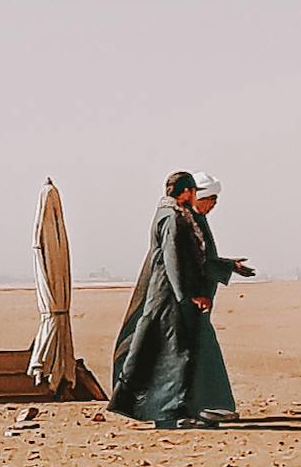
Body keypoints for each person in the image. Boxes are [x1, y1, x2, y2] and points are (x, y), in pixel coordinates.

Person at [106, 171, 250, 426]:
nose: (212, 205)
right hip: (170, 299)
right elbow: (175, 262)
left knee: (178, 354)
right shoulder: (173, 218)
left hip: (176, 298)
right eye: (209, 198)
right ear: (189, 193)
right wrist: (189, 297)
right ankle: (173, 413)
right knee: (174, 356)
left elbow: (198, 259)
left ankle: (194, 410)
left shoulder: (183, 217)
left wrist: (229, 267)